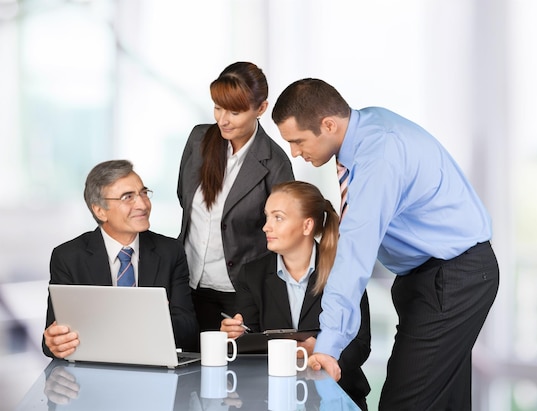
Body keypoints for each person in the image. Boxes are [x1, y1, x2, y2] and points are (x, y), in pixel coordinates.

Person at [271, 78, 500, 410]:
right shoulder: (366, 128)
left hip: (453, 278)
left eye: (298, 141)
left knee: (401, 404)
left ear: (328, 124)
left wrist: (328, 344)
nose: (294, 152)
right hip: (435, 276)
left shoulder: (378, 157)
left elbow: (354, 255)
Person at [221, 181, 371, 410]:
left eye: (278, 218)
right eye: (267, 216)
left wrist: (320, 351)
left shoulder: (344, 271)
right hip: (272, 397)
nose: (266, 227)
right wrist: (236, 335)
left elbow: (360, 344)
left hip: (337, 395)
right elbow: (249, 344)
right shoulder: (251, 274)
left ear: (307, 225)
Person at [177, 62, 294, 337]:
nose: (223, 120)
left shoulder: (275, 163)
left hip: (240, 295)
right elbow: (184, 198)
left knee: (232, 372)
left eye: (235, 111)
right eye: (218, 107)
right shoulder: (198, 139)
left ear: (261, 109)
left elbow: (281, 232)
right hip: (188, 285)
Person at [42, 160, 198, 359]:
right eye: (128, 197)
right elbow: (53, 340)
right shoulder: (68, 257)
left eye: (143, 193)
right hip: (92, 372)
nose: (142, 204)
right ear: (100, 210)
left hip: (154, 367)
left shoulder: (169, 251)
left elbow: (189, 331)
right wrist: (55, 342)